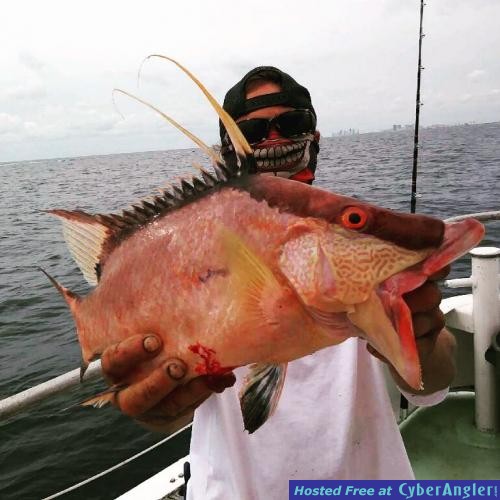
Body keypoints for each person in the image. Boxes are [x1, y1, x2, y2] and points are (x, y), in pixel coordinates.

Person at [100, 67, 455, 498]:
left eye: (291, 124)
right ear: (229, 153)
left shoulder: (357, 241)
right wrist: (157, 409)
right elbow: (174, 408)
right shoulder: (192, 243)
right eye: (253, 132)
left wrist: (426, 336)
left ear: (315, 138)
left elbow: (431, 383)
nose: (273, 141)